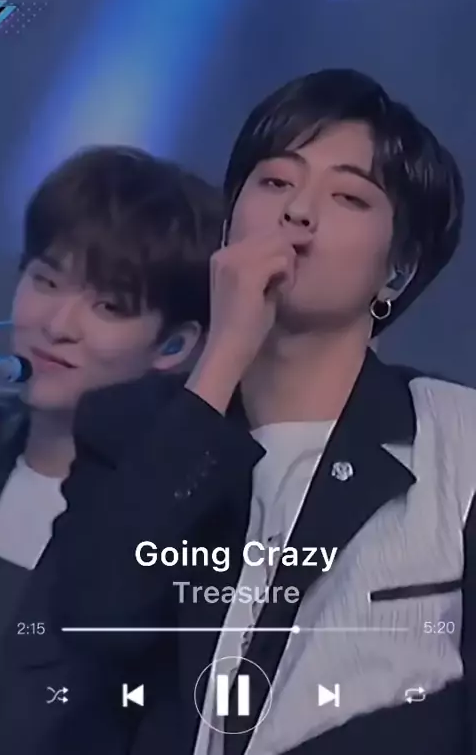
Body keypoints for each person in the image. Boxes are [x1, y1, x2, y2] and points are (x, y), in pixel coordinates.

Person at [50, 69, 474, 755]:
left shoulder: (457, 440)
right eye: (275, 182)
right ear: (229, 222)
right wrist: (223, 355)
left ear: (397, 270)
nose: (298, 211)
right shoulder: (132, 428)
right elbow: (92, 621)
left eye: (347, 196)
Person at [0, 145, 222, 754]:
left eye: (109, 306)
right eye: (46, 281)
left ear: (174, 346)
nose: (58, 325)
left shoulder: (174, 535)